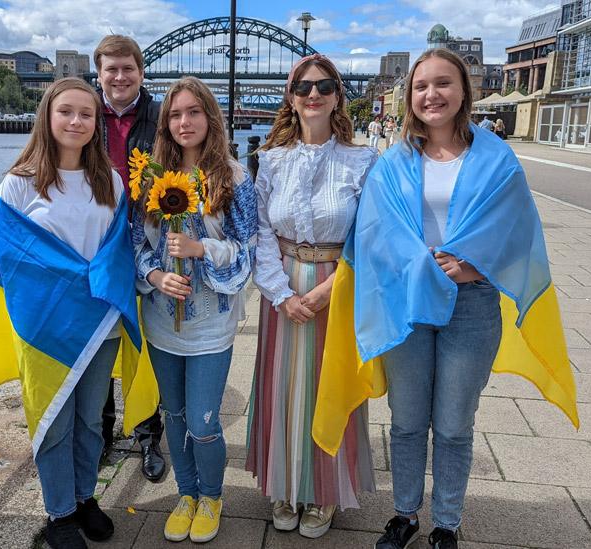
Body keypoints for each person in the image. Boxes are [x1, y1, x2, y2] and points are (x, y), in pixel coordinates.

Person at [310, 48, 578, 549]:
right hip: (409, 303)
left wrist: (474, 265)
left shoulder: (496, 156)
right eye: (421, 86)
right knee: (408, 420)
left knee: (454, 423)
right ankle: (405, 515)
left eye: (443, 84)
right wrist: (418, 263)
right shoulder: (393, 162)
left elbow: (517, 229)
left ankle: (447, 523)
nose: (431, 94)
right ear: (410, 96)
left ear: (463, 91)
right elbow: (372, 231)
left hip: (472, 301)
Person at [0, 78, 141, 549]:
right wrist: (71, 278)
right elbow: (5, 257)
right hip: (47, 326)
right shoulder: (18, 183)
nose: (76, 121)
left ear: (97, 123)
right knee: (52, 418)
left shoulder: (109, 181)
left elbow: (117, 251)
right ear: (47, 118)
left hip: (98, 323)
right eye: (66, 112)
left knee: (92, 418)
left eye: (86, 114)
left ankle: (85, 496)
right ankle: (59, 512)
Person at [246, 54, 377, 539]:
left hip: (338, 285)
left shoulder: (361, 160)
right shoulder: (272, 161)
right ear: (291, 98)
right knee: (282, 387)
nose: (313, 95)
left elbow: (367, 237)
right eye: (303, 87)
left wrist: (326, 290)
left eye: (324, 86)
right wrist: (281, 294)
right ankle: (284, 484)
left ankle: (323, 491)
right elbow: (260, 231)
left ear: (338, 95)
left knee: (329, 383)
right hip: (282, 286)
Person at [133, 76, 258, 543]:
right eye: (175, 114)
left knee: (204, 422)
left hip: (210, 323)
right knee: (174, 415)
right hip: (164, 320)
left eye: (194, 112)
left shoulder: (233, 176)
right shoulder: (149, 177)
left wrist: (201, 248)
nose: (184, 122)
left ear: (211, 117)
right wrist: (155, 276)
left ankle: (212, 495)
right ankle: (185, 493)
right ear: (166, 122)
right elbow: (135, 244)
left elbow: (248, 246)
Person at [93, 34, 166, 482]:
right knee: (96, 343)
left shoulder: (159, 116)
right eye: (111, 69)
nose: (120, 77)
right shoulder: (84, 113)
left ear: (141, 72)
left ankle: (147, 433)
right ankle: (100, 435)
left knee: (144, 343)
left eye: (128, 68)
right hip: (95, 246)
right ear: (98, 73)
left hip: (147, 244)